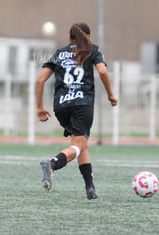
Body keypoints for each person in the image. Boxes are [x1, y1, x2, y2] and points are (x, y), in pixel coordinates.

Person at [36, 22, 118, 199]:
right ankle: (52, 164)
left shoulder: (59, 53)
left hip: (61, 106)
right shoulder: (92, 50)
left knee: (80, 144)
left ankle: (90, 187)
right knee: (79, 145)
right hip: (82, 103)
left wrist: (40, 107)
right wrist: (111, 94)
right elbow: (103, 72)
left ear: (69, 37)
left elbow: (40, 80)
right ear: (88, 37)